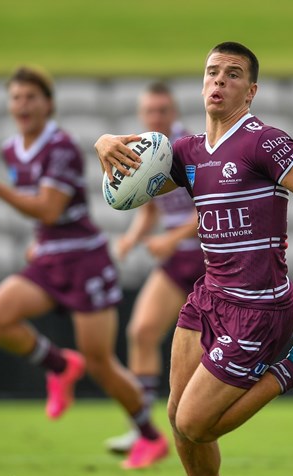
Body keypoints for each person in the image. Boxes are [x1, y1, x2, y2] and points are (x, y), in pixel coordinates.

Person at [94, 41, 293, 476]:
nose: (219, 82)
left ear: (250, 91)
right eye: (212, 73)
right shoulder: (186, 152)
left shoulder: (262, 141)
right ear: (202, 84)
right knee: (177, 414)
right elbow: (138, 181)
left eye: (232, 75)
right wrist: (104, 142)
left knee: (195, 423)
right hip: (209, 298)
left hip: (259, 307)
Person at [0, 66, 168, 470]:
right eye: (17, 98)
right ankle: (59, 365)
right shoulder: (11, 148)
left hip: (84, 261)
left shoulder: (58, 145)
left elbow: (49, 207)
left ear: (48, 104)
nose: (23, 105)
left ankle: (150, 437)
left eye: (31, 97)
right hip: (49, 258)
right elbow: (45, 217)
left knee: (100, 361)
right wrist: (39, 242)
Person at [103, 82, 202, 454]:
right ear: (142, 115)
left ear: (173, 112)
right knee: (142, 331)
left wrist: (173, 237)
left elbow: (214, 205)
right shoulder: (145, 152)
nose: (156, 117)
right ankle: (142, 428)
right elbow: (148, 207)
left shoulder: (189, 148)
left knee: (208, 348)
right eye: (150, 111)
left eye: (162, 110)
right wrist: (132, 237)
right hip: (178, 258)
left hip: (210, 254)